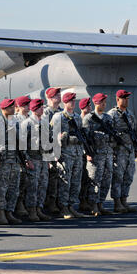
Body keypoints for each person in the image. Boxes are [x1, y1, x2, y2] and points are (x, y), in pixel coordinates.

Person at [0, 98, 32, 225]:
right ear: (4, 109)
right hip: (2, 161)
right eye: (10, 107)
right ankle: (1, 213)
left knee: (14, 188)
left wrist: (25, 159)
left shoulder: (15, 122)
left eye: (13, 107)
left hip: (14, 159)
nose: (13, 109)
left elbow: (20, 142)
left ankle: (9, 212)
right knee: (1, 188)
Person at [50, 92, 86, 219]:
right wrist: (56, 155)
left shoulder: (77, 117)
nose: (73, 103)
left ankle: (71, 206)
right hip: (65, 154)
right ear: (65, 102)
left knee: (76, 182)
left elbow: (81, 135)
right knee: (65, 181)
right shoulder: (58, 117)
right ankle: (63, 208)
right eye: (70, 101)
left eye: (74, 101)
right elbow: (53, 137)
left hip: (76, 154)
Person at [82, 93, 115, 216]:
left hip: (107, 154)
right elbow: (85, 138)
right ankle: (93, 205)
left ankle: (101, 204)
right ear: (96, 103)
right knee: (94, 180)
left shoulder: (108, 118)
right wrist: (87, 154)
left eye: (105, 102)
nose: (104, 104)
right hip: (95, 155)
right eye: (102, 102)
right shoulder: (88, 119)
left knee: (106, 180)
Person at [107, 90, 137, 213]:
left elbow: (134, 131)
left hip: (129, 150)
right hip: (118, 151)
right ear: (117, 99)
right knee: (118, 177)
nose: (126, 100)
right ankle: (117, 203)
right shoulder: (112, 115)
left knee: (128, 176)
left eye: (127, 98)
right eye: (123, 98)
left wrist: (135, 148)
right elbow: (109, 134)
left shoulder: (130, 114)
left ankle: (124, 201)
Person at [21, 98, 52, 221]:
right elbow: (22, 145)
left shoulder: (44, 122)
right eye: (40, 107)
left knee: (42, 185)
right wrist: (27, 160)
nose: (43, 109)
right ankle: (32, 211)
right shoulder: (27, 124)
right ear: (35, 109)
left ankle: (39, 209)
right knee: (33, 186)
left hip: (43, 159)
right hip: (33, 159)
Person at [42, 87, 63, 215]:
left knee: (59, 177)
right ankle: (49, 203)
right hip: (50, 150)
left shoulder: (61, 112)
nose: (59, 97)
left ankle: (56, 202)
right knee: (50, 178)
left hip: (61, 150)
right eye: (56, 95)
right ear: (50, 98)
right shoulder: (45, 113)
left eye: (59, 94)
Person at [14, 96, 31, 218]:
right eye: (24, 105)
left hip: (31, 153)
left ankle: (24, 203)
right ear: (18, 107)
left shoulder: (31, 119)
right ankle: (18, 204)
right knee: (19, 181)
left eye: (28, 104)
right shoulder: (15, 121)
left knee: (27, 181)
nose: (27, 107)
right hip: (20, 155)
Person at [78, 98, 92, 212]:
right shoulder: (80, 120)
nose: (90, 108)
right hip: (82, 154)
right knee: (83, 178)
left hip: (88, 151)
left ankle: (86, 200)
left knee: (88, 178)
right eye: (88, 106)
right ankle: (82, 201)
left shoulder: (90, 119)